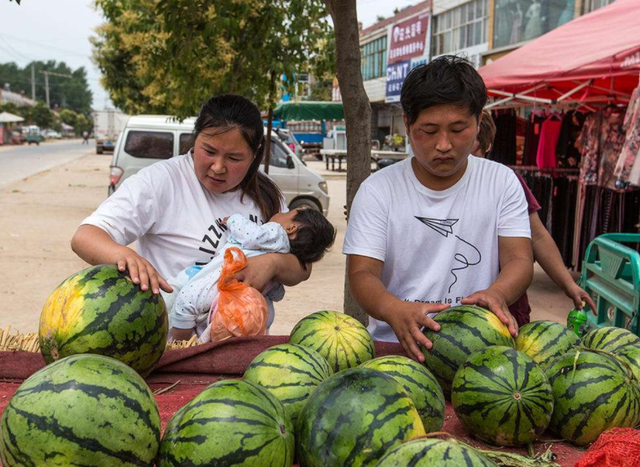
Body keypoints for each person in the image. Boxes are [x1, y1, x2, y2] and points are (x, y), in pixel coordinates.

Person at [343, 56, 533, 362]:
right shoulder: (378, 190)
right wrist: (394, 309)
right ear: (407, 122)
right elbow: (362, 273)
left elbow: (520, 259)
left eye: (458, 129)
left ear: (478, 121)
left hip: (480, 353)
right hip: (396, 349)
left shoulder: (501, 182)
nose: (444, 144)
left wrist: (498, 292)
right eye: (429, 131)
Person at [71, 94, 312, 311]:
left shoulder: (266, 192)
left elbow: (302, 267)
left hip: (242, 341)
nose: (218, 167)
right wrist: (123, 255)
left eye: (234, 157)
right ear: (195, 139)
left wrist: (272, 263)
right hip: (175, 345)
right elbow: (85, 237)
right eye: (209, 151)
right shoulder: (161, 181)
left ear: (256, 153)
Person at [472, 110, 596, 323]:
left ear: (487, 145)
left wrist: (568, 284)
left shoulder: (506, 182)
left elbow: (537, 236)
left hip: (506, 308)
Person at [167, 208, 336, 341]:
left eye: (286, 213)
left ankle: (179, 346)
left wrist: (234, 219)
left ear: (291, 228)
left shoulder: (276, 233)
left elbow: (252, 235)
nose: (279, 213)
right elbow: (277, 293)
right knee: (218, 331)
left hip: (221, 280)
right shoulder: (286, 252)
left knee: (186, 301)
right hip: (245, 301)